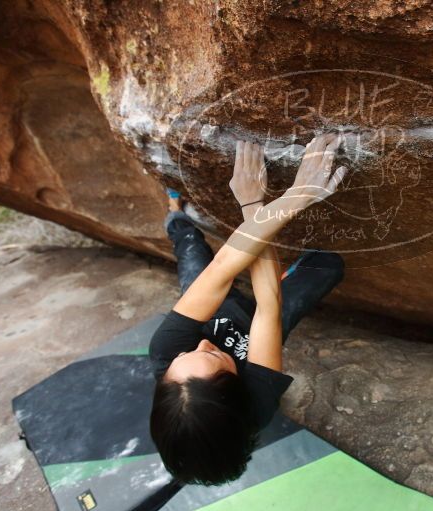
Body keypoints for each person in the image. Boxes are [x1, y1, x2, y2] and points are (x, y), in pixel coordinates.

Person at [149, 134, 347, 485]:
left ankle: (175, 213)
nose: (201, 344)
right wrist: (268, 201)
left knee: (193, 252)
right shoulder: (257, 404)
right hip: (256, 329)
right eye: (211, 357)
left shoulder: (166, 352)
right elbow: (268, 309)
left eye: (185, 357)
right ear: (236, 391)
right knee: (328, 266)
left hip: (216, 307)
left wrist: (262, 201)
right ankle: (284, 272)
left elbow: (221, 268)